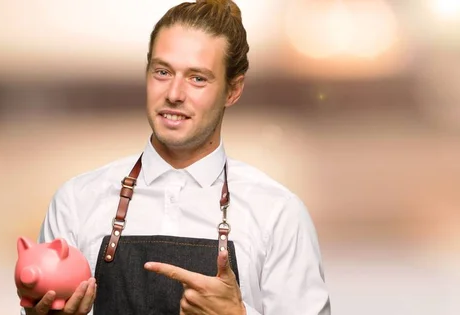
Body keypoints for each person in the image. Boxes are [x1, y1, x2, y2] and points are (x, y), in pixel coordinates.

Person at [21, 0, 331, 314]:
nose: (174, 94)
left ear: (233, 90)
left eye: (198, 78)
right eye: (163, 72)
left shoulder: (277, 214)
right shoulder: (77, 202)